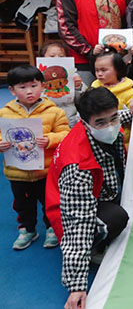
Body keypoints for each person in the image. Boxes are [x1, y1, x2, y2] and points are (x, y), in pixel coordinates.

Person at [46, 87, 132, 309]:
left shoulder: (97, 125)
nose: (110, 126)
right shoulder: (78, 168)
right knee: (117, 217)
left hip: (98, 191)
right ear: (84, 123)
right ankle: (95, 249)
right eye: (101, 123)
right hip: (71, 210)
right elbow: (78, 224)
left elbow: (112, 118)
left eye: (114, 118)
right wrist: (77, 286)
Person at [0, 65, 69, 250]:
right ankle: (27, 229)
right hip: (17, 172)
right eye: (22, 87)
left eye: (33, 85)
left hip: (45, 171)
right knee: (22, 204)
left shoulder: (54, 111)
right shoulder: (4, 113)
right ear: (12, 90)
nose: (29, 91)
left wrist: (50, 140)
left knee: (49, 202)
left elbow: (65, 134)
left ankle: (52, 227)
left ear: (43, 86)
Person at [90, 48, 133, 145]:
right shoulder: (93, 90)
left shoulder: (131, 94)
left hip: (123, 142)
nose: (99, 74)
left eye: (104, 70)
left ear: (118, 69)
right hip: (98, 140)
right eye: (97, 70)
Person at [40, 39, 87, 127]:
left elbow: (82, 99)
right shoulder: (36, 77)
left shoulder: (72, 75)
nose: (57, 59)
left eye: (61, 56)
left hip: (69, 118)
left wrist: (78, 87)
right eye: (52, 56)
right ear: (42, 57)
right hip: (45, 118)